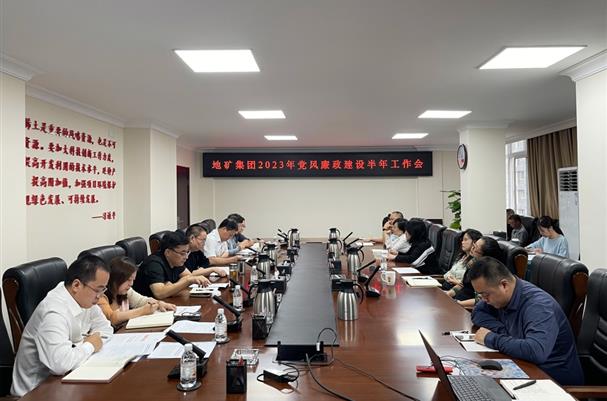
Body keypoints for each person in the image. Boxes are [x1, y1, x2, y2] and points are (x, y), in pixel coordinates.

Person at [470, 256, 583, 386]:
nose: (484, 300)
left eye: (485, 295)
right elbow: (477, 312)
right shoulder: (502, 296)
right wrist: (503, 331)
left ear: (504, 285)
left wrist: (491, 338)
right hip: (525, 366)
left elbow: (536, 351)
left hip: (554, 381)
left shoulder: (538, 306)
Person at [11, 255, 114, 396]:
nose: (100, 296)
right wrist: (89, 345)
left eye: (103, 290)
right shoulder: (53, 311)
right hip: (36, 391)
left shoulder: (85, 299)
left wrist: (82, 347)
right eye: (98, 290)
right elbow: (60, 364)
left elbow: (106, 329)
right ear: (76, 285)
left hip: (69, 378)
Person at [98, 256, 176, 326]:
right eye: (128, 280)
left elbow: (141, 301)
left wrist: (159, 303)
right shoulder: (100, 296)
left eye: (133, 280)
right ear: (115, 279)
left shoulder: (126, 291)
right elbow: (112, 318)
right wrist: (142, 311)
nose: (131, 284)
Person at [133, 230, 209, 299]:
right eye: (182, 253)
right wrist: (186, 281)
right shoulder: (154, 264)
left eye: (187, 252)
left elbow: (188, 275)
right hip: (146, 305)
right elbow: (159, 293)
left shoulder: (175, 261)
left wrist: (171, 286)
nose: (186, 257)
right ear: (168, 252)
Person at [446, 236, 502, 307]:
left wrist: (460, 304)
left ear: (484, 256)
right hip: (457, 300)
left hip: (466, 307)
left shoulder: (487, 273)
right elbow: (462, 284)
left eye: (475, 248)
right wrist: (448, 294)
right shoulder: (472, 262)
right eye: (473, 245)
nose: (472, 248)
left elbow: (481, 299)